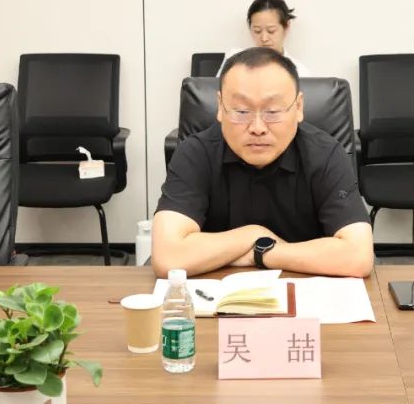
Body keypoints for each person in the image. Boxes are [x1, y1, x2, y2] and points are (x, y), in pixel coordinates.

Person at [152, 46, 373, 278]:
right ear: (220, 107)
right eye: (241, 111)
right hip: (215, 293)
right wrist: (253, 234)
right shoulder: (195, 153)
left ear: (298, 107)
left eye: (273, 111)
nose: (257, 128)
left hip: (304, 291)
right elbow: (168, 258)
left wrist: (260, 253)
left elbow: (358, 257)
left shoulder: (325, 154)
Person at [219, 0, 310, 77]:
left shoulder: (300, 72)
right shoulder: (234, 60)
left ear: (286, 27)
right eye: (257, 31)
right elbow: (214, 88)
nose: (264, 38)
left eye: (271, 31)